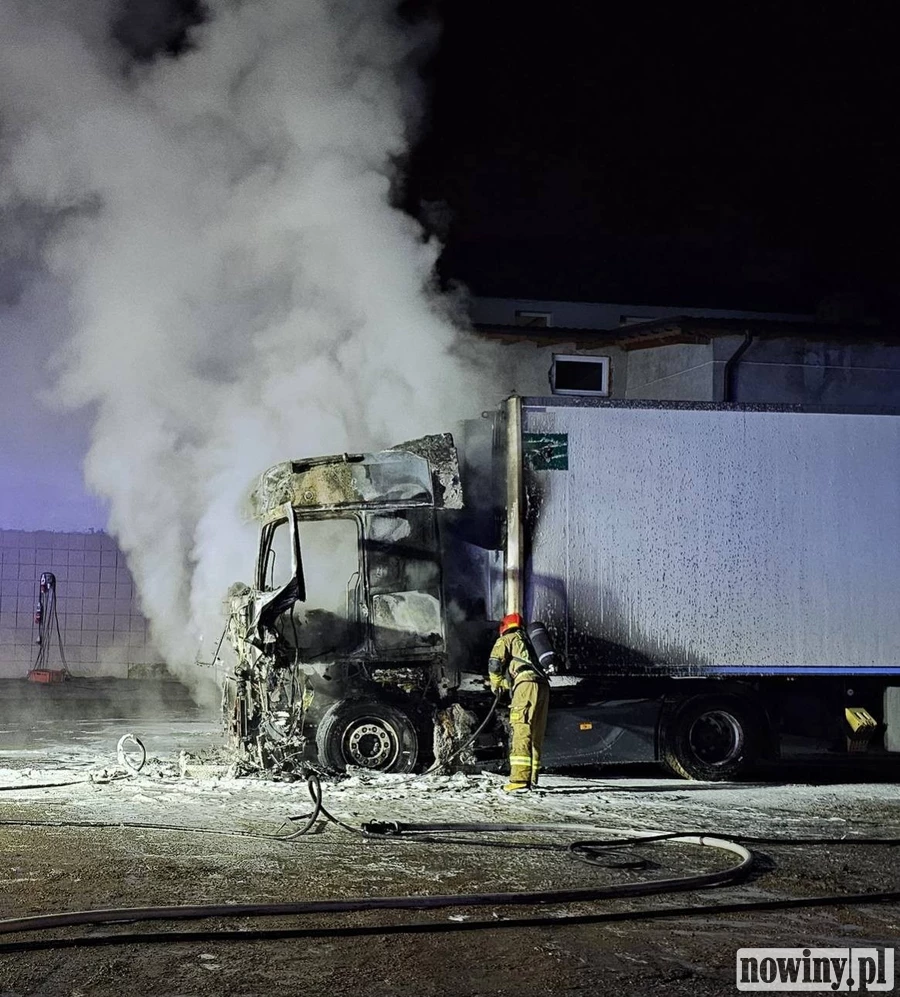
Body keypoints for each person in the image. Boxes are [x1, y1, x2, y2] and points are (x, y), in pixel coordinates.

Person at [488, 613, 550, 792]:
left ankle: (519, 780)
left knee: (521, 729)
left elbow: (494, 663)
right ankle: (531, 779)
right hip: (542, 685)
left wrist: (496, 683)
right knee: (535, 733)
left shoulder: (508, 638)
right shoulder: (529, 641)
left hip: (526, 686)